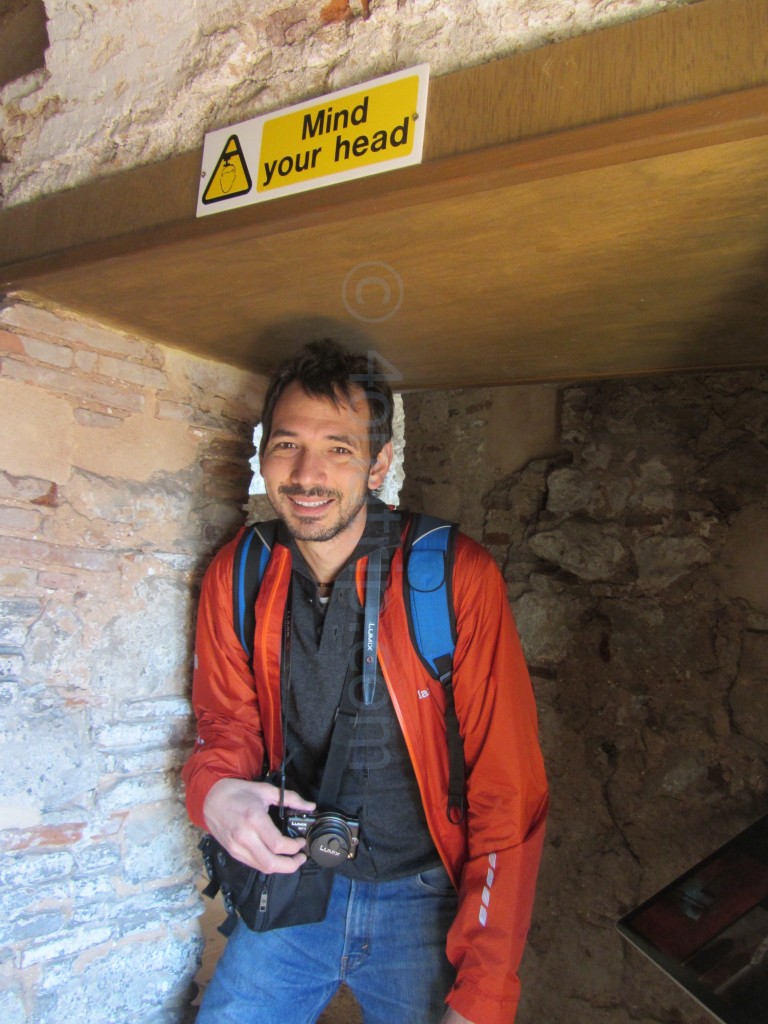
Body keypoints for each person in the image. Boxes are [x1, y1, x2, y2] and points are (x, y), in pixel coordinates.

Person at [182, 340, 548, 1024]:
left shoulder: (453, 577)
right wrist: (214, 793)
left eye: (340, 449)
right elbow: (225, 727)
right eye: (287, 444)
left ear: (379, 463)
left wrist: (486, 991)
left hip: (425, 896)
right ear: (263, 455)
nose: (307, 474)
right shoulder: (240, 574)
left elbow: (509, 788)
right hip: (294, 884)